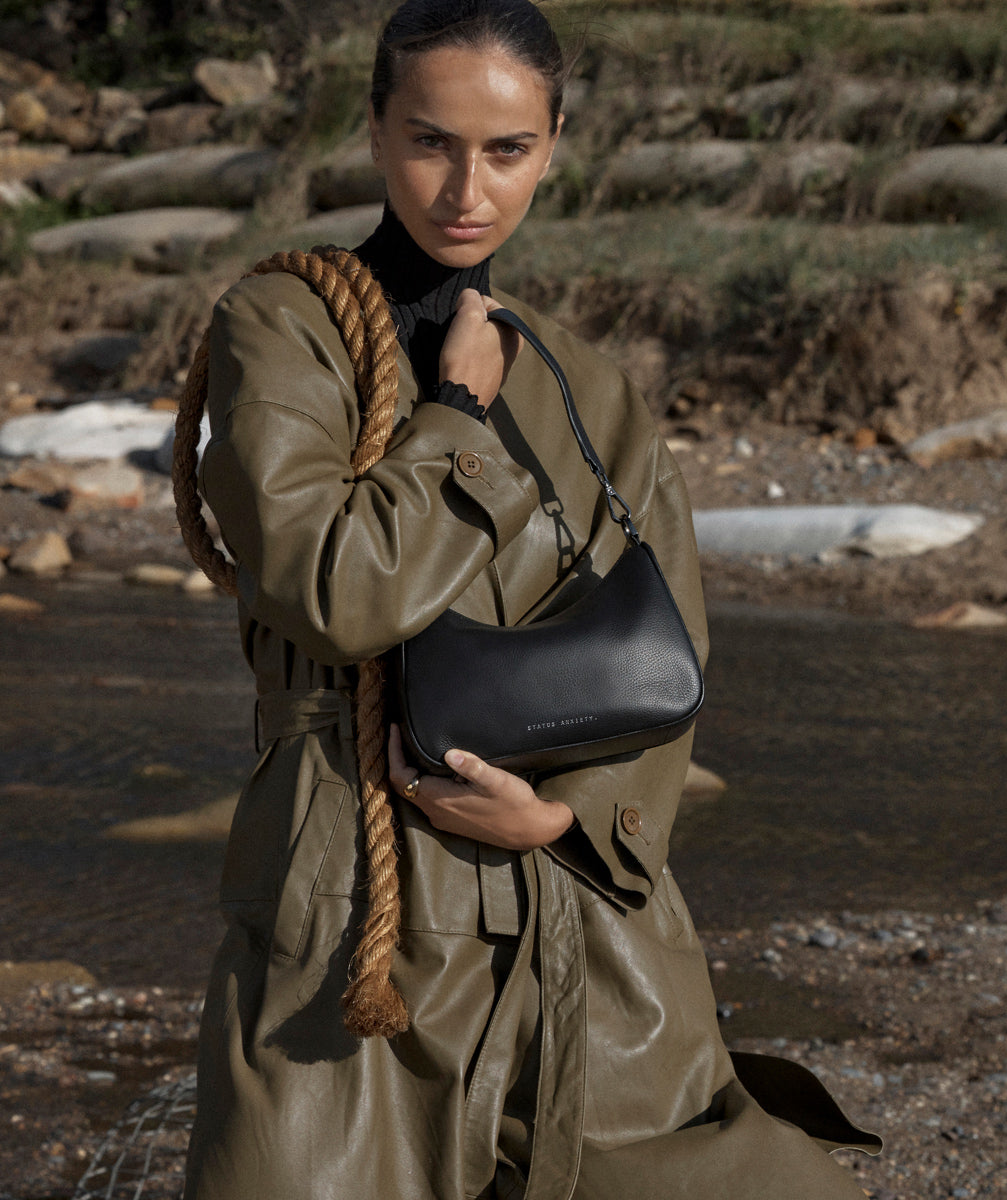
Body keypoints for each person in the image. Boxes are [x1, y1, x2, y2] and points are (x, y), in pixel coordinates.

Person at [179, 0, 880, 1196]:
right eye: (430, 141)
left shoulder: (587, 388)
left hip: (576, 910)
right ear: (374, 132)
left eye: (507, 150)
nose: (468, 189)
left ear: (552, 146)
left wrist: (564, 822)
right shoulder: (283, 330)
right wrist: (456, 414)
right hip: (351, 905)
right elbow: (334, 592)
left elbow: (664, 658)